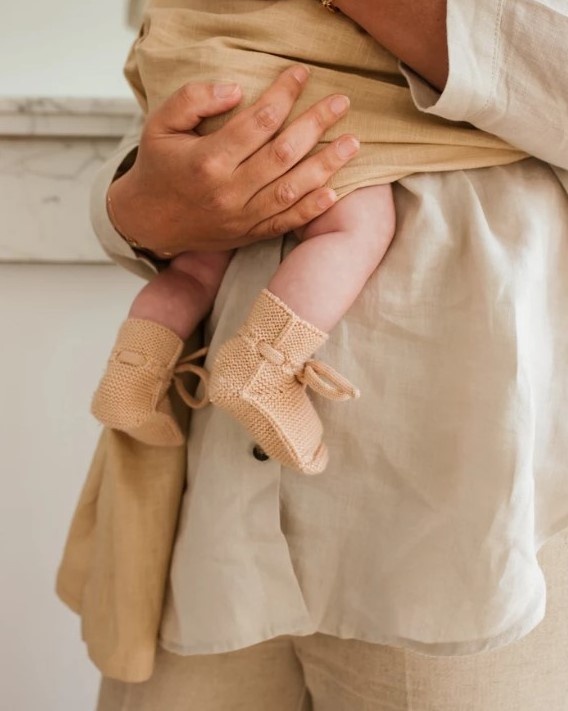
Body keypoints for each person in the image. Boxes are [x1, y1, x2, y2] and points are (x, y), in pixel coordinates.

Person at [57, 0, 568, 708]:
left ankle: (144, 367)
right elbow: (188, 62)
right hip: (210, 497)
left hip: (450, 488)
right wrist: (137, 207)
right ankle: (254, 366)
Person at [89, 0, 522, 475]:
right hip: (287, 94)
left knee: (197, 265)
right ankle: (264, 366)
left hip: (209, 86)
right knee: (353, 226)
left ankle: (133, 369)